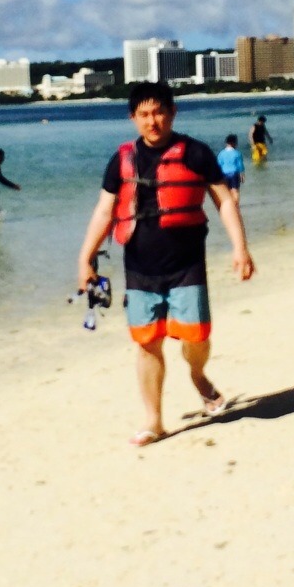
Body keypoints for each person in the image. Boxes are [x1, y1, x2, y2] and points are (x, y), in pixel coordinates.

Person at [77, 80, 254, 446]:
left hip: (187, 264)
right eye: (144, 114)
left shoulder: (196, 153)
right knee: (147, 343)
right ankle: (154, 420)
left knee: (196, 337)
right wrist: (85, 258)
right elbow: (104, 211)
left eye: (159, 112)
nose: (152, 121)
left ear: (172, 113)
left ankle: (198, 374)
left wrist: (240, 248)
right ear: (133, 118)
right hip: (140, 268)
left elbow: (224, 201)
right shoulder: (122, 159)